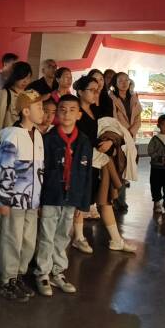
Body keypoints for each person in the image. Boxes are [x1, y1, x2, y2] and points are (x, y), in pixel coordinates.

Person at [34, 94, 93, 296]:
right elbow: (40, 171)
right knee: (46, 235)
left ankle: (58, 271)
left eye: (72, 110)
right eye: (63, 110)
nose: (67, 114)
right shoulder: (48, 139)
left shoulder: (84, 141)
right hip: (51, 195)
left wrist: (84, 204)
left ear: (79, 115)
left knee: (63, 236)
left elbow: (87, 174)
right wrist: (39, 200)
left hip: (72, 197)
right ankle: (42, 272)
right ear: (57, 114)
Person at [0, 90, 46, 301]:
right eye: (39, 107)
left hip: (31, 202)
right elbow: (3, 168)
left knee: (28, 241)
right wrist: (3, 199)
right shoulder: (13, 136)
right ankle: (8, 279)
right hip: (14, 201)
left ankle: (19, 275)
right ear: (26, 111)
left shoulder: (38, 135)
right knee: (12, 239)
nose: (43, 112)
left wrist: (38, 198)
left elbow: (39, 171)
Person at [0, 61, 33, 230]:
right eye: (22, 77)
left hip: (23, 143)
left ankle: (8, 215)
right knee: (0, 179)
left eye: (28, 77)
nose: (25, 81)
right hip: (7, 143)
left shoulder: (27, 96)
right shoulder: (5, 93)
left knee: (15, 180)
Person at [92, 117, 136, 252]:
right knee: (81, 204)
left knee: (105, 201)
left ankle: (116, 239)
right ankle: (78, 237)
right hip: (89, 160)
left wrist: (111, 142)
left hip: (99, 160)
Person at [69, 74, 102, 253]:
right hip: (78, 159)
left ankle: (78, 235)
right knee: (77, 198)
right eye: (92, 90)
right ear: (80, 92)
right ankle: (77, 236)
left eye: (97, 90)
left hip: (90, 158)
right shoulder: (75, 112)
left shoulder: (94, 111)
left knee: (83, 198)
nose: (95, 93)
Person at [108, 72, 141, 215]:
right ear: (115, 83)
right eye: (120, 80)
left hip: (130, 139)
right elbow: (113, 119)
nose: (124, 83)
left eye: (126, 80)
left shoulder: (134, 97)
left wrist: (131, 133)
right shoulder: (111, 98)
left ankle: (119, 200)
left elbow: (138, 118)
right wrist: (124, 134)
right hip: (118, 138)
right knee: (117, 169)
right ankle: (115, 200)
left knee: (124, 170)